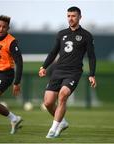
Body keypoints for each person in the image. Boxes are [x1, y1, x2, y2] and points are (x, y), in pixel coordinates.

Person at [39, 6, 97, 138]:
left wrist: (92, 74)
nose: (70, 19)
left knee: (63, 95)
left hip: (74, 72)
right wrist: (44, 67)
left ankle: (53, 130)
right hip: (58, 70)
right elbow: (53, 52)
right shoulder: (61, 34)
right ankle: (62, 122)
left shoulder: (86, 36)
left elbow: (92, 56)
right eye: (69, 16)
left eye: (73, 16)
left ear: (80, 17)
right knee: (48, 102)